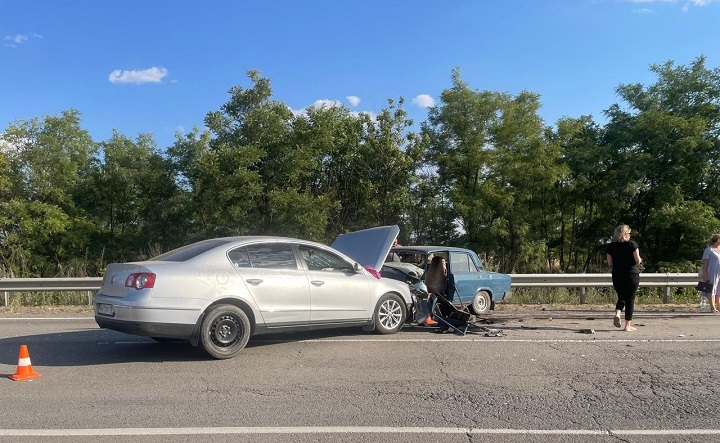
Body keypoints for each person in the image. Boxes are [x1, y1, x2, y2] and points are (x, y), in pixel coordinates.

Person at [606, 224, 643, 332]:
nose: (630, 235)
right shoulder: (632, 245)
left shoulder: (611, 246)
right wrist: (640, 260)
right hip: (631, 274)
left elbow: (609, 263)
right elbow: (637, 260)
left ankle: (618, 312)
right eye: (629, 233)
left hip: (617, 275)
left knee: (621, 296)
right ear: (625, 234)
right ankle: (627, 326)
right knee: (630, 299)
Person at [701, 234, 720, 313]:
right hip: (712, 272)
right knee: (711, 289)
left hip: (719, 272)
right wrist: (705, 274)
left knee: (719, 290)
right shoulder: (709, 249)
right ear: (717, 240)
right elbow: (705, 263)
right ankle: (712, 307)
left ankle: (719, 307)